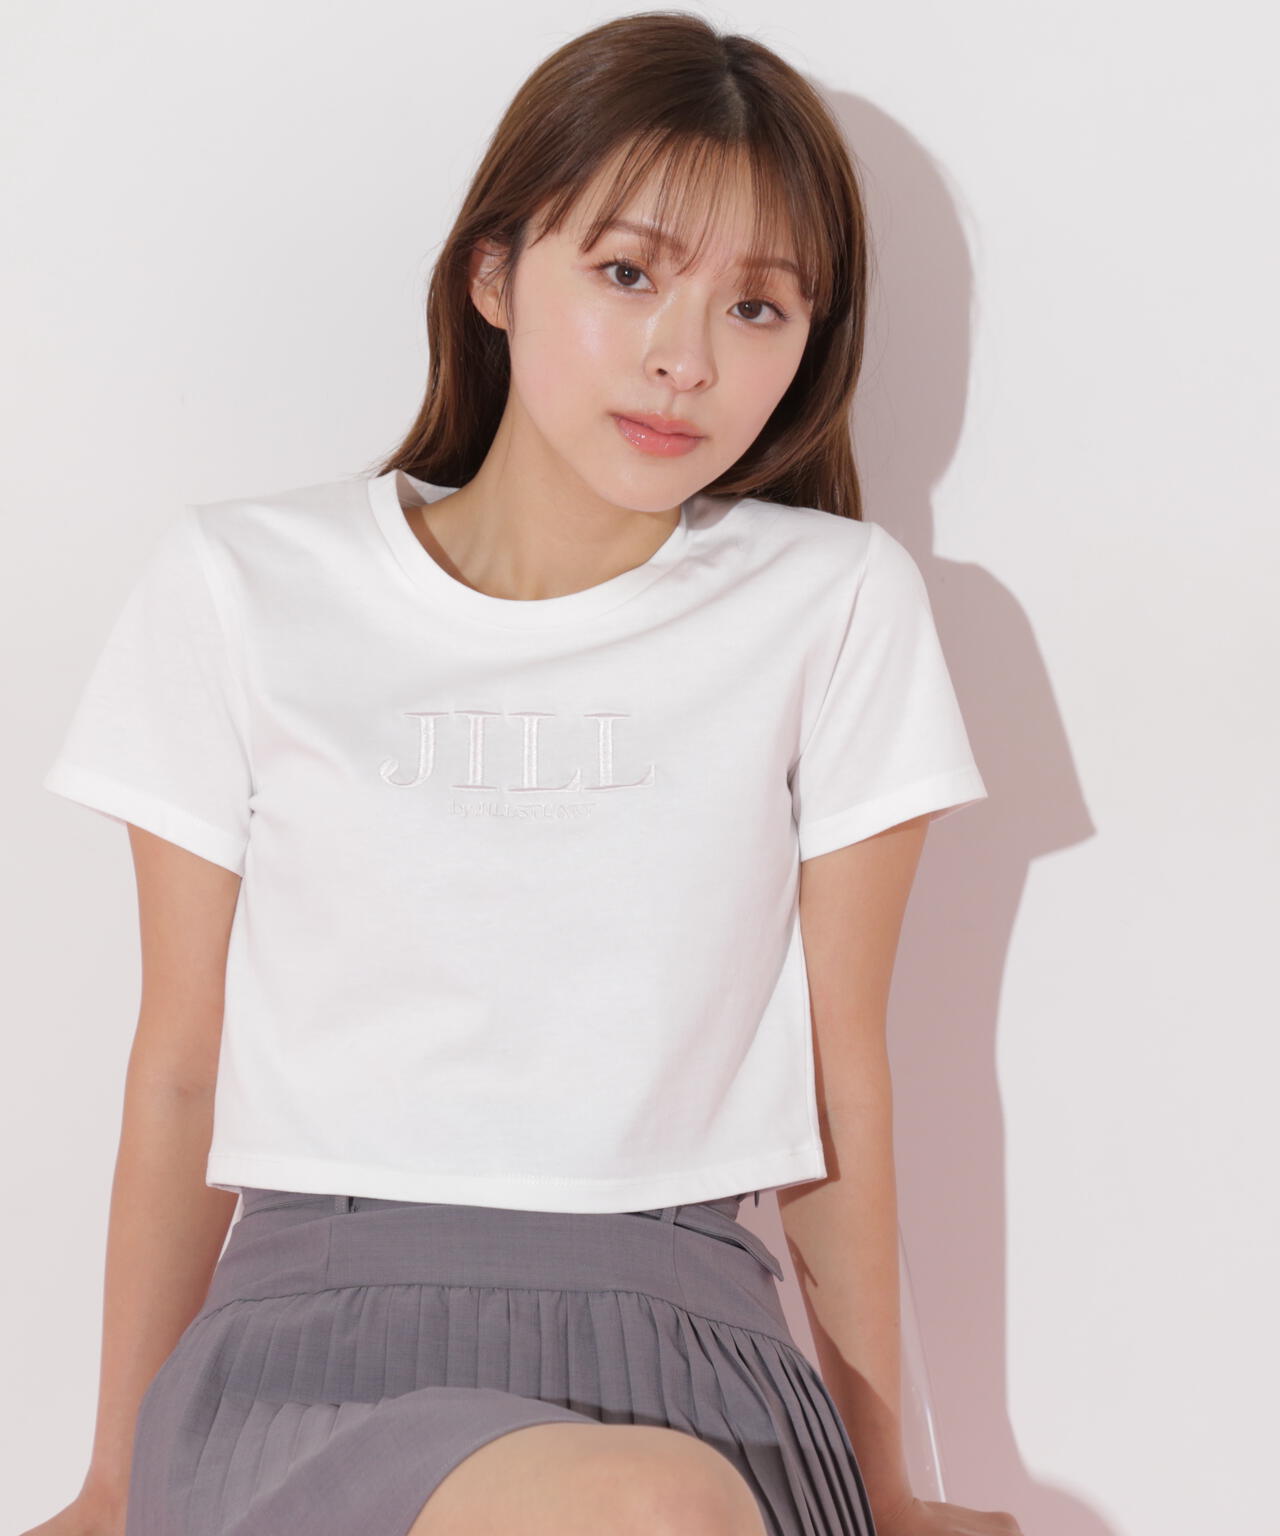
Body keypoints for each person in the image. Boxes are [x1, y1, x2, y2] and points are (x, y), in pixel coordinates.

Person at [26, 13, 1023, 1536]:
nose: (687, 357)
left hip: (706, 1367)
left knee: (663, 1501)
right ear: (494, 274)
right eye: (628, 275)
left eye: (758, 307)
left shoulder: (832, 605)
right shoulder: (245, 584)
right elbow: (179, 1066)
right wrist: (112, 1487)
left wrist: (891, 1492)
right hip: (309, 1363)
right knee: (649, 1507)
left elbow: (841, 1085)